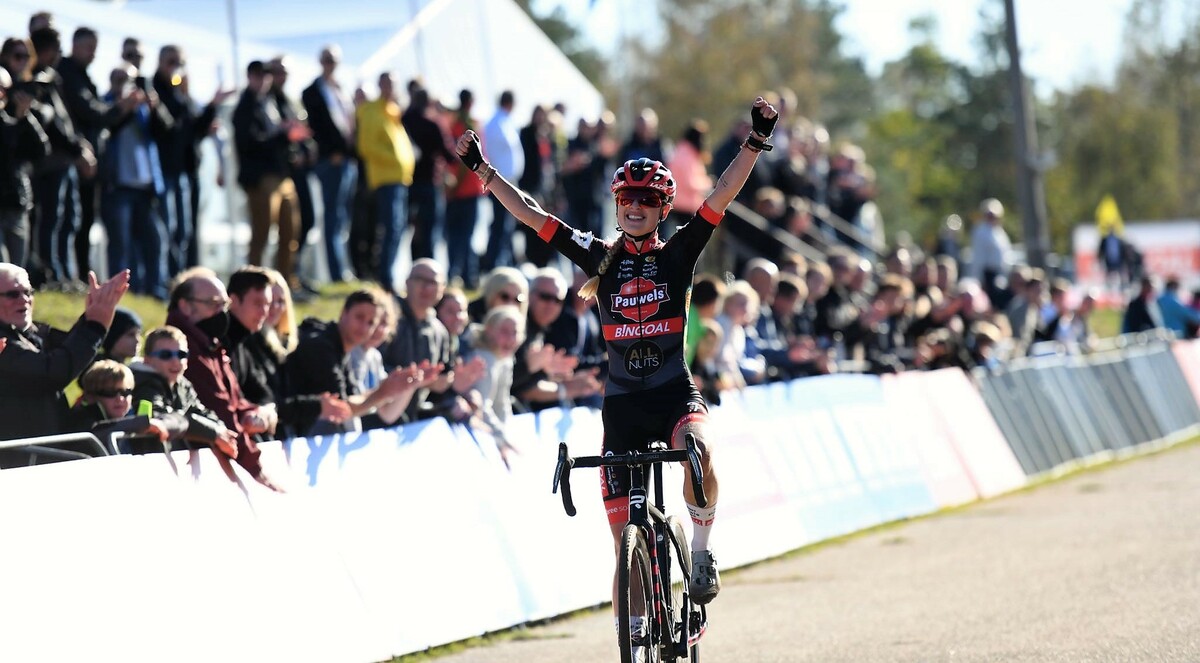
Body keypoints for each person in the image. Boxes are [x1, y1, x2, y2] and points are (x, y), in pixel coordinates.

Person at [457, 96, 780, 607]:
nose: (634, 206)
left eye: (647, 201)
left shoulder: (679, 252)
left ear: (663, 209)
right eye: (626, 198)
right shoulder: (596, 255)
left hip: (675, 395)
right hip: (623, 405)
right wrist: (484, 171)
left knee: (700, 453)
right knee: (621, 547)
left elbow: (723, 190)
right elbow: (533, 214)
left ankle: (701, 550)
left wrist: (757, 139)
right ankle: (636, 622)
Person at [165, 268, 279, 488]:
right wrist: (256, 470)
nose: (221, 312)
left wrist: (253, 413)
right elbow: (222, 412)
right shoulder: (189, 352)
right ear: (185, 306)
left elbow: (236, 400)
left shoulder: (211, 346)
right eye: (213, 304)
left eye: (223, 305)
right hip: (196, 470)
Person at [0, 262, 128, 443]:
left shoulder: (32, 334)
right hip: (18, 461)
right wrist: (94, 326)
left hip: (42, 454)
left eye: (28, 292)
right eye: (13, 294)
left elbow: (69, 355)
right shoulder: (4, 342)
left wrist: (90, 318)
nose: (24, 299)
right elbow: (52, 372)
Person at [286, 288, 424, 435]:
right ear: (343, 313)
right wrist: (383, 392)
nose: (364, 327)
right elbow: (341, 409)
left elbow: (352, 400)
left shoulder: (341, 347)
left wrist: (398, 387)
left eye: (371, 323)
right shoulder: (321, 346)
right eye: (359, 317)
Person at [130, 325, 238, 456]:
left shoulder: (182, 384)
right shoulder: (143, 383)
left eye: (181, 355)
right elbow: (160, 417)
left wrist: (220, 430)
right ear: (147, 359)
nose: (176, 361)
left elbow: (201, 412)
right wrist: (213, 433)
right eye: (166, 355)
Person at [302, 45, 357, 282]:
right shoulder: (313, 91)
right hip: (330, 162)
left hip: (346, 162)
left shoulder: (340, 89)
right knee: (332, 216)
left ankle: (342, 268)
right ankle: (336, 273)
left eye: (333, 60)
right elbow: (316, 127)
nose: (330, 64)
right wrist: (330, 152)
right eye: (326, 59)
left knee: (342, 217)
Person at [356, 71, 415, 292]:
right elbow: (366, 145)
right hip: (386, 178)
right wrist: (393, 160)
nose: (391, 88)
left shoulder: (392, 111)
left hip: (398, 179)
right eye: (387, 84)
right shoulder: (373, 111)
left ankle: (387, 274)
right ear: (380, 85)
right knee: (390, 228)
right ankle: (385, 277)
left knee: (397, 229)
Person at [0, 63, 49, 267]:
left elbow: (41, 150)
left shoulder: (15, 124)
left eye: (3, 89)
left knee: (17, 273)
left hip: (15, 204)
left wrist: (25, 116)